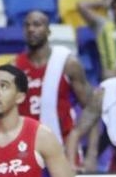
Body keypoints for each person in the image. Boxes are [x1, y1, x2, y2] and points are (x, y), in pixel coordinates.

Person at [14, 11, 92, 151]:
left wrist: (89, 150)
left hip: (64, 145)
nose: (31, 29)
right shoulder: (15, 67)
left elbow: (91, 108)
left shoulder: (67, 63)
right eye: (27, 25)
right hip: (29, 147)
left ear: (48, 30)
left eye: (37, 25)